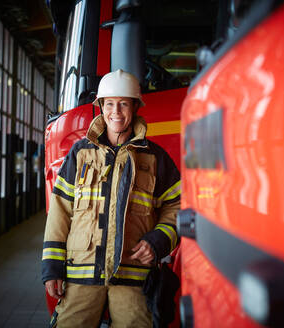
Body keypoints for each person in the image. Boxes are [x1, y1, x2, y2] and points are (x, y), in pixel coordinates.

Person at [42, 69, 181, 327]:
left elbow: (178, 206)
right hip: (80, 277)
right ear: (101, 107)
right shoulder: (79, 153)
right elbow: (60, 210)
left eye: (123, 104)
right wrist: (52, 267)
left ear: (136, 107)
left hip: (133, 277)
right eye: (109, 104)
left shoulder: (155, 158)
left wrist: (159, 239)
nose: (115, 111)